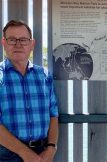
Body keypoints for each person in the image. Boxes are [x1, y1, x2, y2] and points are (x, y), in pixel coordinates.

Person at [0, 20, 59, 162]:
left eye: (24, 40)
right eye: (12, 40)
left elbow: (53, 115)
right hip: (6, 155)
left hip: (42, 153)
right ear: (4, 43)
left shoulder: (44, 75)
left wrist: (51, 148)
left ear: (32, 44)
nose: (18, 44)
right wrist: (24, 152)